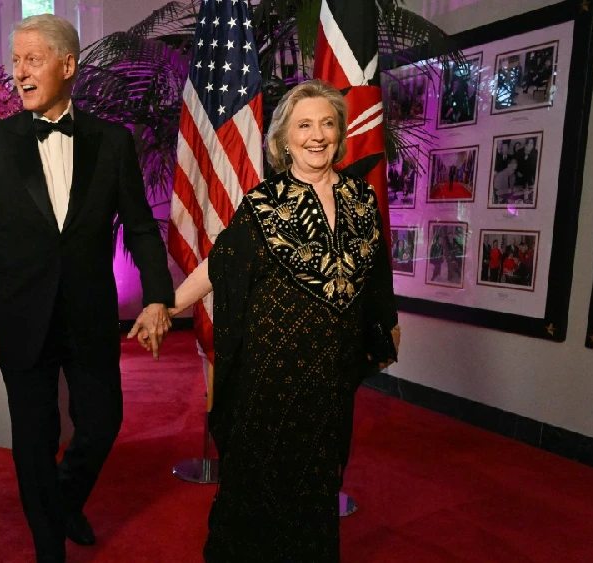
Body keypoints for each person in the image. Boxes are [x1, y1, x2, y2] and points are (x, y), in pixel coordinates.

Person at [133, 80, 400, 562]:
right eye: (304, 125)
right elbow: (218, 268)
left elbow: (376, 275)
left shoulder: (362, 201)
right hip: (269, 379)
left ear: (340, 134)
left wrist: (388, 323)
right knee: (257, 490)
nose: (316, 135)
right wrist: (164, 305)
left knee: (318, 487)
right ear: (283, 139)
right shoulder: (264, 205)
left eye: (327, 124)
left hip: (329, 380)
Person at [0, 14, 174, 563]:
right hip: (19, 316)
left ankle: (64, 499)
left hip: (89, 315)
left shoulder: (112, 142)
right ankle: (49, 547)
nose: (19, 73)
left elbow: (143, 227)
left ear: (67, 65)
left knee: (102, 423)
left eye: (32, 60)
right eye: (15, 61)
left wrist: (156, 297)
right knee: (34, 436)